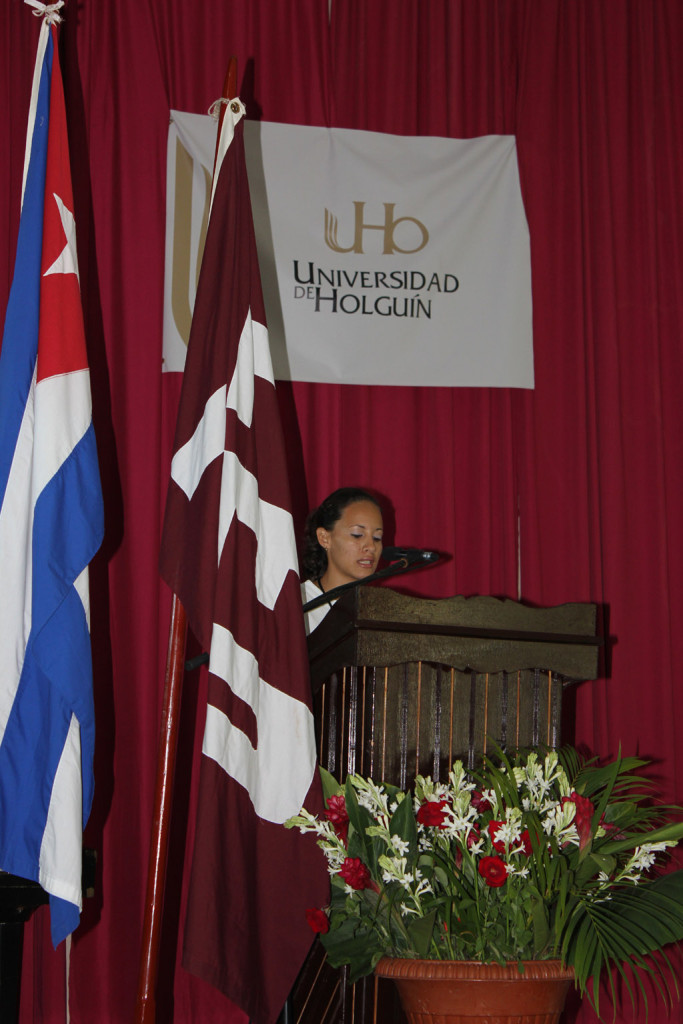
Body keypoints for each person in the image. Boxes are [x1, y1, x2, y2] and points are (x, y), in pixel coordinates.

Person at [301, 487, 384, 633]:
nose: (371, 547)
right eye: (357, 534)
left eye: (377, 538)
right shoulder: (296, 602)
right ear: (324, 538)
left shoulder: (383, 609)